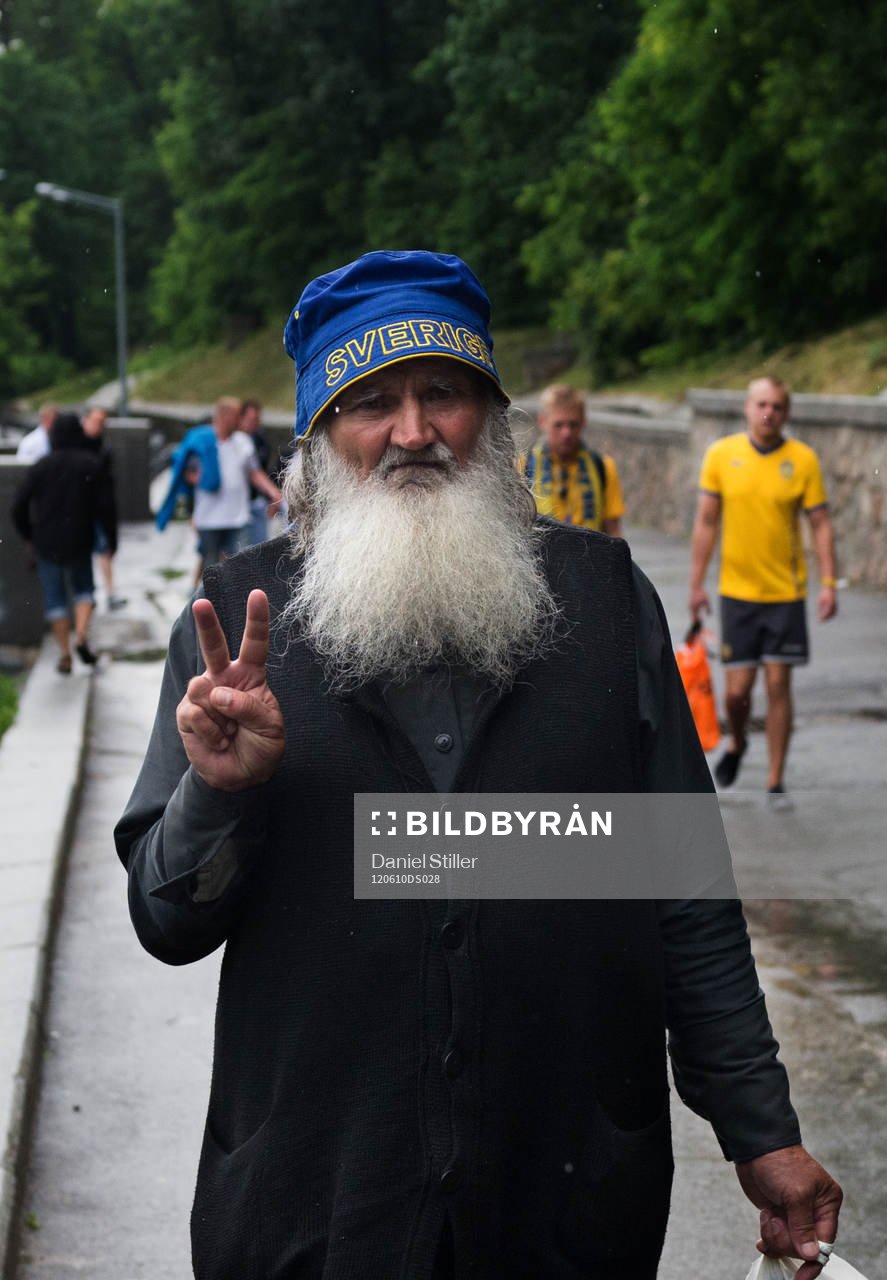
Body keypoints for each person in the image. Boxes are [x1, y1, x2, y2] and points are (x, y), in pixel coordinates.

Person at [117, 253, 841, 1280]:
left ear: (488, 419)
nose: (411, 432)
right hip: (314, 1195)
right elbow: (165, 920)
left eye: (441, 393)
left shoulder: (600, 599)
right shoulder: (236, 620)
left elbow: (680, 888)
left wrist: (758, 1127)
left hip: (567, 1191)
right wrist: (217, 791)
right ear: (320, 440)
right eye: (370, 402)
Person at [689, 376, 838, 811]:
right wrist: (697, 584)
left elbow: (821, 524)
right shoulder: (722, 455)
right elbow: (706, 522)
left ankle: (775, 782)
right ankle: (737, 741)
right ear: (747, 408)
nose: (768, 412)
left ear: (786, 412)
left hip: (786, 594)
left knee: (777, 683)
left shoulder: (803, 460)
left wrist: (828, 583)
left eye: (776, 405)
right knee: (737, 692)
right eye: (761, 404)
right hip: (737, 592)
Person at [11, 412, 114, 672]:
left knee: (55, 600)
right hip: (80, 539)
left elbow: (18, 506)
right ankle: (80, 636)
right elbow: (106, 507)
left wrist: (28, 534)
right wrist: (110, 540)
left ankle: (65, 654)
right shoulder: (90, 464)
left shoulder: (41, 466)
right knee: (84, 591)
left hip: (46, 542)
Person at [518, 382, 625, 534]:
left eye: (573, 424)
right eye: (559, 425)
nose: (566, 433)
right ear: (542, 422)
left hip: (591, 555)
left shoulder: (604, 467)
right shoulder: (522, 468)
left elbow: (614, 532)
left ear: (583, 422)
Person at [190, 396, 282, 567]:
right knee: (209, 566)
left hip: (238, 517)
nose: (240, 420)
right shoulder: (202, 440)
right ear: (225, 416)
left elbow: (254, 473)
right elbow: (187, 472)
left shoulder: (244, 442)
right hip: (209, 518)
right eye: (237, 415)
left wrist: (273, 492)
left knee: (242, 565)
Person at [81, 406, 127, 611]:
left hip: (98, 509)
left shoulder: (102, 449)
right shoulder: (82, 448)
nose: (100, 426)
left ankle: (109, 592)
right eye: (96, 420)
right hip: (82, 509)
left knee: (104, 551)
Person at [238, 398, 274, 545]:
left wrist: (271, 495)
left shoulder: (260, 440)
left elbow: (262, 471)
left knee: (259, 546)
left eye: (257, 419)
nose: (254, 423)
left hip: (257, 499)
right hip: (237, 502)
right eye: (251, 419)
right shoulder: (235, 440)